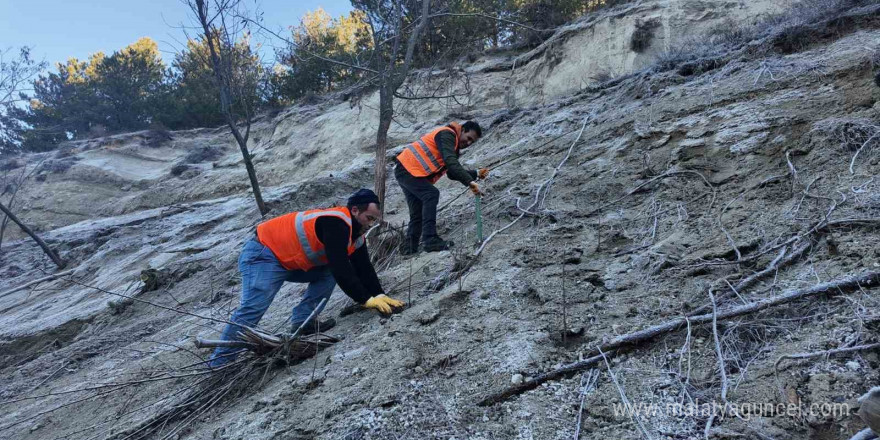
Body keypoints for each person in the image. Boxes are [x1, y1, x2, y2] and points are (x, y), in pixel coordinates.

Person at [209, 189, 404, 367]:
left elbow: (364, 269)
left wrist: (379, 294)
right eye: (369, 218)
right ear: (354, 210)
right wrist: (365, 299)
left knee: (327, 272)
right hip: (264, 254)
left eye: (374, 221)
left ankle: (304, 322)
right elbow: (341, 267)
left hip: (290, 261)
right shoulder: (336, 222)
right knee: (254, 307)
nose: (370, 224)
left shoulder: (356, 235)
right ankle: (220, 363)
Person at [394, 120, 488, 254]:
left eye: (471, 142)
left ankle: (409, 249)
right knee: (431, 194)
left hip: (407, 170)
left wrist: (476, 174)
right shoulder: (447, 134)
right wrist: (469, 182)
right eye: (468, 138)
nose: (468, 143)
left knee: (418, 212)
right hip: (409, 170)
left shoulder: (452, 144)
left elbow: (451, 173)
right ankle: (430, 239)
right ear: (463, 129)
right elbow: (451, 163)